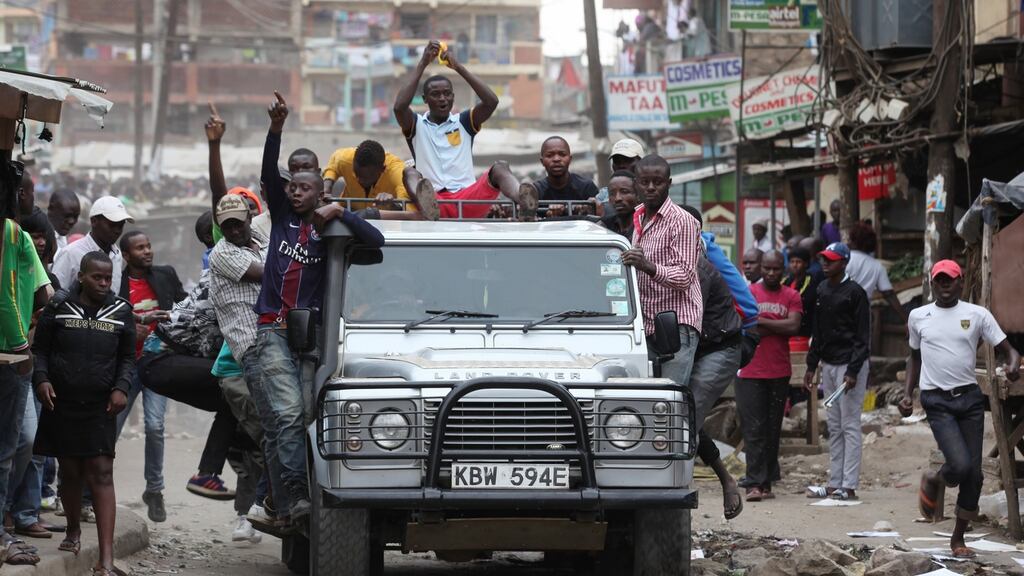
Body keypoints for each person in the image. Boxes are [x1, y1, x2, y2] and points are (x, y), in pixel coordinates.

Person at [254, 91, 384, 523]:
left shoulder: (332, 228)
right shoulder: (280, 220)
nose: (295, 192)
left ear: (319, 193)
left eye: (305, 188)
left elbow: (377, 241)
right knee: (289, 414)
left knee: (301, 418)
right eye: (292, 187)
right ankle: (294, 499)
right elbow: (268, 171)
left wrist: (341, 211)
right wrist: (276, 129)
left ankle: (280, 498)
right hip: (272, 330)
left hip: (310, 338)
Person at [902, 260, 1021, 558]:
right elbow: (914, 357)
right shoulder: (918, 316)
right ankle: (935, 478)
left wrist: (1012, 364)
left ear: (960, 283)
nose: (944, 285)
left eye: (950, 280)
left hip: (968, 399)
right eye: (939, 280)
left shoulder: (977, 314)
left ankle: (957, 538)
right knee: (960, 465)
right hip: (936, 400)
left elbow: (1009, 350)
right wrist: (907, 393)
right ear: (932, 283)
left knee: (975, 476)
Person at [32, 251, 135, 575]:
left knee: (102, 472)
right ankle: (73, 529)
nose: (104, 283)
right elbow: (41, 350)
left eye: (108, 278)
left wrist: (122, 387)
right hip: (61, 403)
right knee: (72, 472)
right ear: (81, 276)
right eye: (97, 277)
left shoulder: (121, 311)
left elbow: (128, 357)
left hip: (101, 405)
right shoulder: (59, 308)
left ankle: (105, 561)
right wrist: (42, 380)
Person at [394, 40, 538, 221]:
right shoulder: (416, 124)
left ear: (453, 97)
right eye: (435, 94)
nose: (442, 98)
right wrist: (423, 63)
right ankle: (427, 207)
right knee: (409, 172)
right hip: (433, 203)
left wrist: (458, 67)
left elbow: (491, 102)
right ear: (425, 99)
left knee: (500, 167)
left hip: (468, 199)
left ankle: (524, 202)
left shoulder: (463, 121)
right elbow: (399, 107)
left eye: (447, 93)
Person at [207, 194, 281, 537]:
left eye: (239, 222)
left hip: (275, 345)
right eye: (227, 226)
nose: (234, 230)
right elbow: (271, 276)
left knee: (285, 430)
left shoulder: (261, 239)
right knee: (275, 432)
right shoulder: (223, 252)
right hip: (251, 350)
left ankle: (270, 503)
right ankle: (263, 504)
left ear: (250, 217)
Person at [680, 204, 755, 520]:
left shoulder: (699, 263)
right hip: (693, 345)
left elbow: (689, 318)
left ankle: (678, 495)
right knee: (680, 416)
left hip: (719, 344)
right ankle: (726, 479)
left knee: (682, 421)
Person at [115, 230, 186, 522]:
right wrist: (132, 330)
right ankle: (89, 493)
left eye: (149, 245)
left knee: (156, 427)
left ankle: (154, 490)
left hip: (158, 364)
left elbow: (185, 308)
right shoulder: (115, 283)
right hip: (126, 366)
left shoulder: (165, 275)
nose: (147, 251)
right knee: (111, 428)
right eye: (140, 248)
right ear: (126, 255)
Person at [622, 154, 702, 389]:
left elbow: (685, 277)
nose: (650, 187)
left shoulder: (682, 221)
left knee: (669, 397)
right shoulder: (637, 215)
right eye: (644, 182)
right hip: (645, 324)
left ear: (669, 183)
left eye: (657, 182)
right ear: (636, 183)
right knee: (646, 400)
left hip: (678, 324)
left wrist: (648, 266)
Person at [0, 210, 51, 565]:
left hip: (13, 354)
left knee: (20, 442)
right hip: (10, 354)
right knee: (8, 448)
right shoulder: (12, 235)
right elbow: (12, 293)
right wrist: (21, 346)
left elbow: (42, 292)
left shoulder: (19, 235)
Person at [804, 242, 870, 501]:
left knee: (850, 424)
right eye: (823, 259)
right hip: (829, 364)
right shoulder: (821, 288)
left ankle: (849, 484)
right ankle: (835, 482)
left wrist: (853, 370)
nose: (825, 263)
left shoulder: (856, 293)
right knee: (834, 425)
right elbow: (817, 331)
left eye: (831, 260)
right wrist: (812, 364)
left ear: (844, 262)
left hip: (848, 366)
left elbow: (862, 337)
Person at [736, 250, 803, 501]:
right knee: (753, 429)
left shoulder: (792, 295)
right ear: (761, 268)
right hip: (749, 370)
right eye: (767, 269)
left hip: (778, 370)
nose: (772, 273)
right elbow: (748, 325)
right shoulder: (750, 292)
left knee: (772, 429)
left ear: (783, 270)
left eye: (776, 269)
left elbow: (794, 327)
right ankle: (753, 483)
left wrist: (764, 322)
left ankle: (766, 482)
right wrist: (778, 323)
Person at [51, 196, 132, 291]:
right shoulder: (71, 253)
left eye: (121, 225)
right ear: (94, 221)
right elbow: (55, 293)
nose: (117, 230)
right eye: (112, 225)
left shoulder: (117, 255)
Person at [322, 140, 416, 212]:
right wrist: (326, 188)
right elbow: (334, 163)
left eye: (366, 177)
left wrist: (391, 205)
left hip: (384, 221)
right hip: (347, 210)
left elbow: (408, 211)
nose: (359, 180)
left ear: (382, 169)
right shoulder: (345, 159)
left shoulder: (399, 173)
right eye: (356, 173)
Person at [847, 222, 908, 322]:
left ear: (853, 240)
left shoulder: (844, 260)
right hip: (862, 314)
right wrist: (905, 320)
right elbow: (889, 294)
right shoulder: (877, 266)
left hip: (840, 311)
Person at [533, 136, 598, 217]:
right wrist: (548, 216)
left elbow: (601, 219)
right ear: (542, 161)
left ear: (570, 159)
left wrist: (590, 209)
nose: (556, 159)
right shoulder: (536, 191)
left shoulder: (586, 187)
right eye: (550, 155)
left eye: (562, 154)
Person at [594, 138, 645, 212]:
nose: (621, 165)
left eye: (627, 160)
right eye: (617, 161)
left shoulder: (650, 193)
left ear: (641, 162)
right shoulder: (603, 195)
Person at [783, 246, 821, 337]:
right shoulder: (785, 281)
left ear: (806, 264)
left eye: (798, 262)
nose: (795, 265)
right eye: (792, 262)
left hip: (806, 330)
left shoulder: (812, 282)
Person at [598, 170, 638, 237]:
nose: (617, 198)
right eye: (612, 194)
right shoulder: (603, 226)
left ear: (638, 195)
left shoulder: (646, 226)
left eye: (624, 192)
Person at [46, 188, 81, 253]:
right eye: (67, 216)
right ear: (51, 209)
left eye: (75, 217)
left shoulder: (61, 236)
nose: (71, 221)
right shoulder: (40, 238)